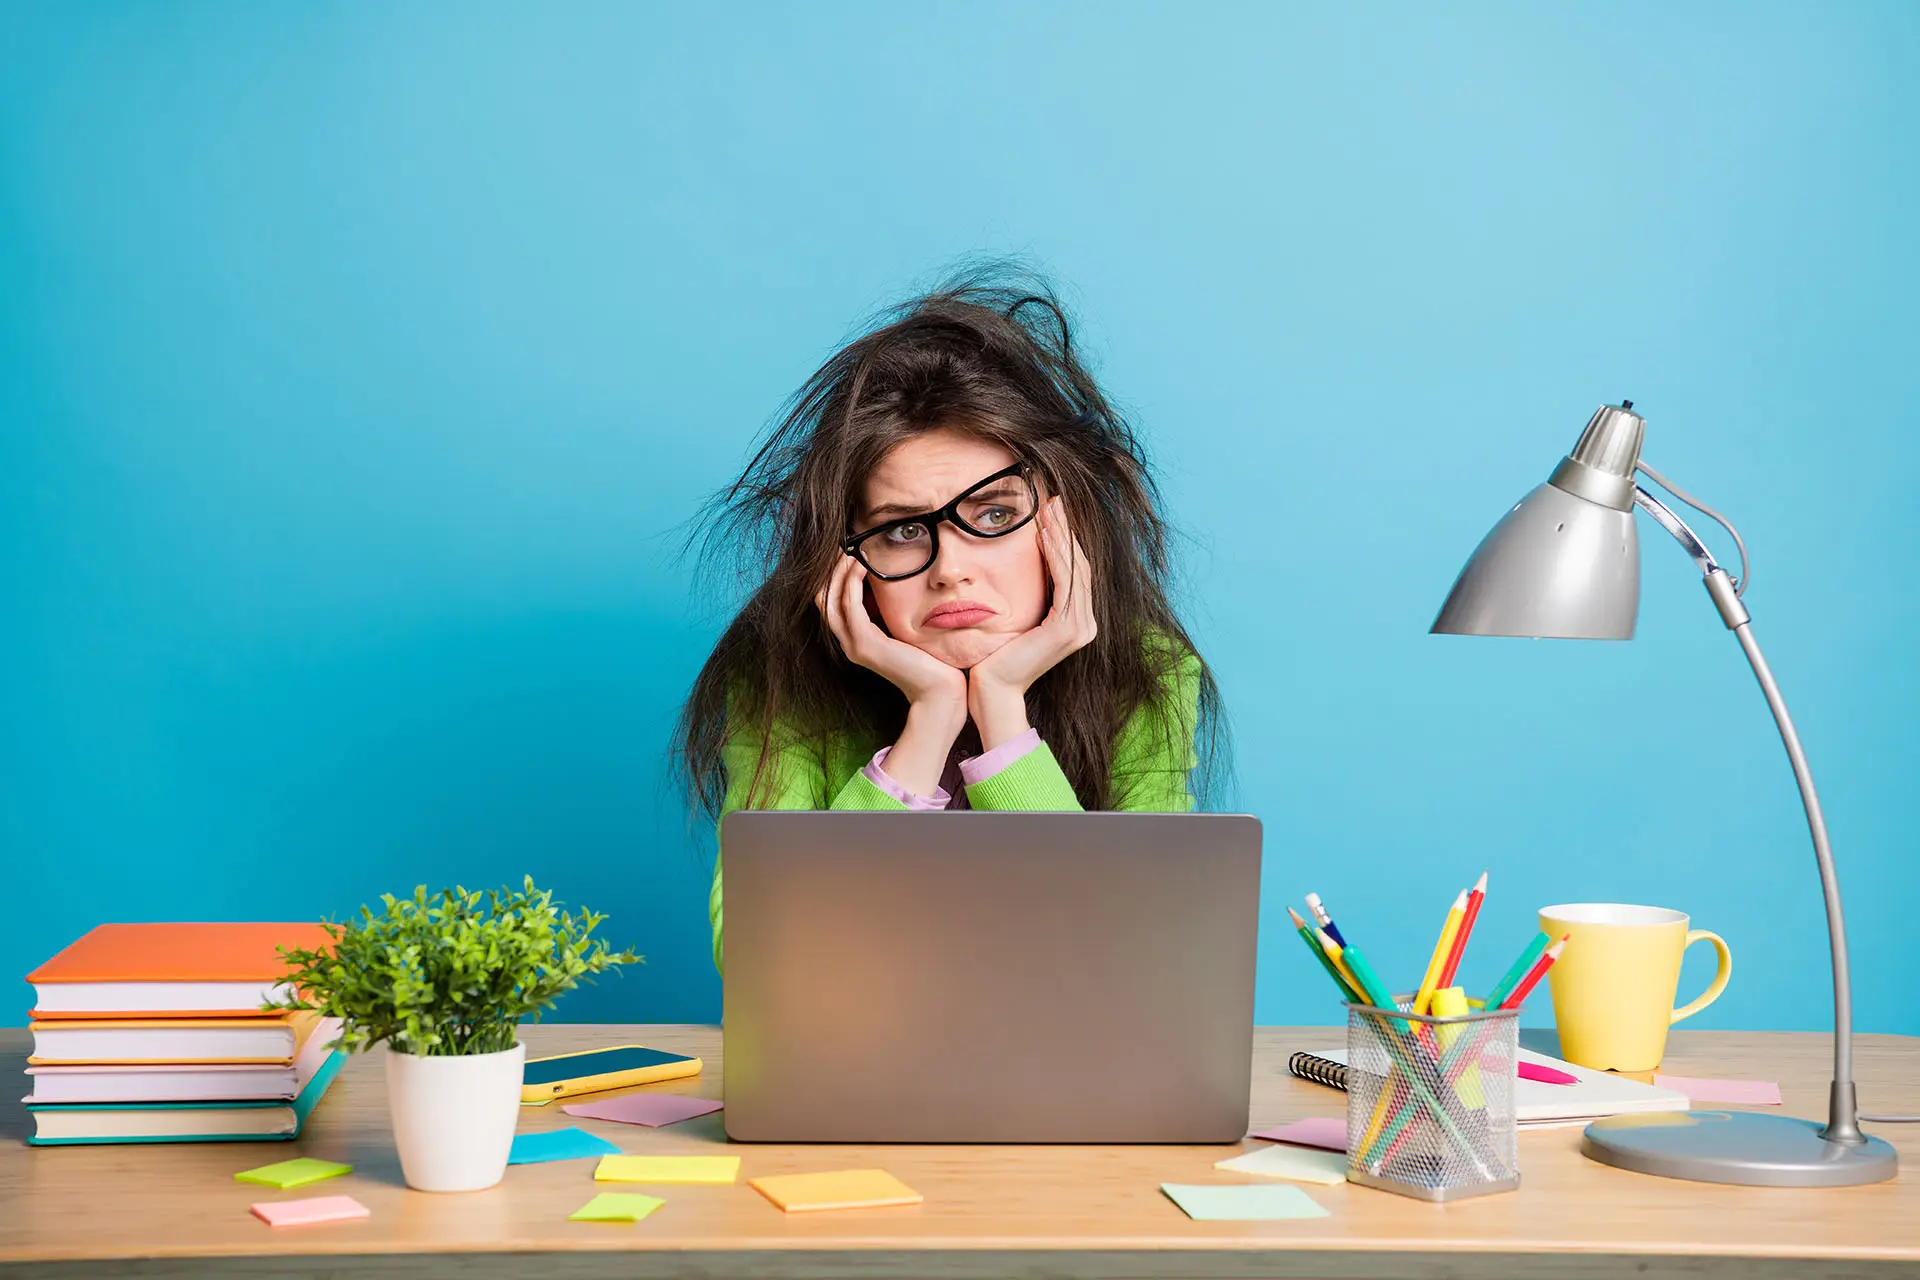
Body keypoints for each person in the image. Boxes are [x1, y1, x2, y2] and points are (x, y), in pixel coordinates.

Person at [673, 265, 1227, 973]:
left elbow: (1128, 962)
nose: (950, 568)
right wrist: (929, 718)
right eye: (902, 531)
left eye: (994, 514)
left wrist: (1002, 713)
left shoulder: (1147, 673)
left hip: (1064, 1076)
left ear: (1062, 522)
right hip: (859, 1069)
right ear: (848, 556)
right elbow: (763, 964)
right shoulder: (778, 675)